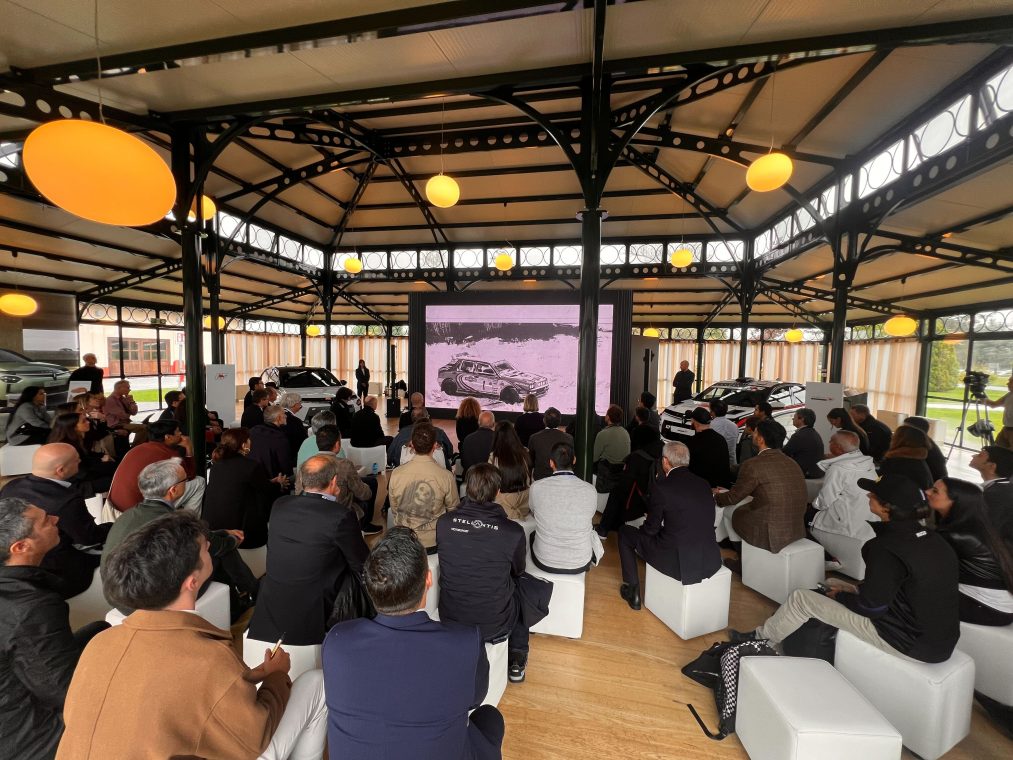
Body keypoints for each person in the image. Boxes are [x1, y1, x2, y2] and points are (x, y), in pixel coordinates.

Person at [58, 511, 328, 759]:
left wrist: (256, 674)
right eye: (205, 548)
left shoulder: (100, 643)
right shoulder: (207, 658)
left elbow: (169, 695)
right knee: (316, 683)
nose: (209, 545)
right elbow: (254, 738)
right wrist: (276, 676)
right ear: (192, 581)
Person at [730, 473, 960, 665]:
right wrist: (848, 591)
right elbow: (901, 588)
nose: (868, 495)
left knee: (801, 599)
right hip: (939, 640)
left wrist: (842, 597)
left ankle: (759, 641)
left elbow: (871, 608)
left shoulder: (887, 547)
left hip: (905, 641)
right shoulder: (932, 539)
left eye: (873, 495)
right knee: (831, 583)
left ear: (886, 508)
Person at [323, 527, 505, 759]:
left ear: (371, 587)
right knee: (490, 717)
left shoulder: (337, 642)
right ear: (428, 579)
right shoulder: (465, 643)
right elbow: (475, 699)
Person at [101, 459, 258, 618]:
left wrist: (221, 533)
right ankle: (249, 595)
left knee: (215, 545)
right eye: (186, 480)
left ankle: (240, 600)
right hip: (150, 603)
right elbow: (217, 545)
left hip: (118, 598)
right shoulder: (175, 521)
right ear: (173, 490)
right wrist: (232, 540)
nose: (188, 483)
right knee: (219, 552)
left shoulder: (127, 516)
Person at [249, 455, 370, 646]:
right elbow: (362, 563)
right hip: (317, 609)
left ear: (302, 480)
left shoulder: (279, 505)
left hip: (273, 601)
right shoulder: (340, 515)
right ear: (334, 482)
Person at [437, 464, 533, 682]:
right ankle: (517, 658)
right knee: (520, 589)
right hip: (494, 625)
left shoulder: (444, 523)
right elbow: (518, 570)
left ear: (467, 488)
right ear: (498, 492)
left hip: (451, 618)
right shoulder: (513, 531)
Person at [617, 442, 721, 610]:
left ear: (665, 461)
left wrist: (643, 531)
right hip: (709, 557)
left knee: (625, 533)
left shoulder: (662, 487)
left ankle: (632, 591)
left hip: (676, 560)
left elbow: (651, 529)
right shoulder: (703, 484)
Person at [0, 444, 111, 598]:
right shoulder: (66, 500)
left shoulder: (11, 486)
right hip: (59, 569)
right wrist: (113, 525)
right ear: (61, 470)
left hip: (14, 562)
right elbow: (89, 537)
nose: (80, 461)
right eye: (76, 460)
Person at [715, 418, 808, 556]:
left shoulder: (753, 464)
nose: (752, 434)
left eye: (755, 432)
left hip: (768, 529)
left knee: (728, 509)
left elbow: (733, 498)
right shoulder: (792, 462)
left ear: (760, 439)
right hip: (795, 526)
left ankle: (740, 555)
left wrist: (716, 496)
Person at [927, 478, 1013, 626]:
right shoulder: (977, 525)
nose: (927, 492)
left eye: (935, 491)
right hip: (1001, 605)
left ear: (955, 501)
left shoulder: (956, 534)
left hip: (988, 609)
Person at [529, 442, 602, 573]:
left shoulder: (536, 487)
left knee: (532, 534)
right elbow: (589, 517)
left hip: (545, 560)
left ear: (551, 463)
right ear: (574, 460)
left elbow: (533, 512)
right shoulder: (590, 490)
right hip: (580, 561)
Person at [388, 423, 460, 551]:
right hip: (433, 542)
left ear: (412, 445)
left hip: (404, 540)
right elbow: (453, 511)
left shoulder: (396, 473)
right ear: (435, 446)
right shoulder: (446, 476)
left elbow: (395, 509)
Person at [107, 420, 205, 514]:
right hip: (137, 511)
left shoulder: (137, 448)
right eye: (178, 431)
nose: (181, 434)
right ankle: (190, 521)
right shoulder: (168, 454)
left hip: (113, 506)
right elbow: (190, 475)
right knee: (199, 482)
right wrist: (189, 447)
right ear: (168, 437)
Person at [204, 428, 278, 548]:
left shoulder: (216, 466)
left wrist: (267, 482)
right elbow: (266, 490)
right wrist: (279, 484)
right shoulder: (251, 466)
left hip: (213, 527)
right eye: (249, 440)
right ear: (244, 445)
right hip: (240, 530)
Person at [808, 430, 879, 545]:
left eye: (831, 441)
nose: (829, 443)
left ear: (838, 447)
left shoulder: (838, 468)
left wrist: (813, 504)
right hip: (869, 520)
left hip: (848, 524)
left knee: (805, 516)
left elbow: (824, 502)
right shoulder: (867, 463)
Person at [310, 425, 383, 535]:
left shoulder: (306, 466)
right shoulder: (344, 465)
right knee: (368, 486)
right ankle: (364, 525)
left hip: (314, 514)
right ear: (337, 445)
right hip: (341, 514)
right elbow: (364, 494)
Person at [597, 420, 663, 538]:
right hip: (656, 499)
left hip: (638, 504)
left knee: (616, 492)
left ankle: (603, 529)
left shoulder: (637, 457)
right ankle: (614, 525)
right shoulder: (663, 453)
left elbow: (625, 485)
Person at [47, 412, 117, 494]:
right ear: (73, 427)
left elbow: (86, 456)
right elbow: (82, 473)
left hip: (83, 473)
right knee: (116, 476)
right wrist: (102, 463)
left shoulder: (75, 438)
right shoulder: (66, 447)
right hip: (75, 485)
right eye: (84, 421)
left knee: (116, 465)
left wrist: (102, 457)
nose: (88, 422)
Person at [489, 420, 532, 520]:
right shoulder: (525, 452)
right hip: (524, 504)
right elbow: (529, 480)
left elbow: (492, 484)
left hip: (503, 505)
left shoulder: (493, 457)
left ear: (496, 436)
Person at [249, 404, 296, 489]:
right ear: (278, 418)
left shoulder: (253, 430)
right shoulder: (279, 438)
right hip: (274, 481)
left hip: (252, 475)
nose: (286, 416)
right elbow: (285, 467)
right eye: (284, 413)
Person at [387, 408, 454, 468]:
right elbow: (450, 453)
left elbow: (390, 456)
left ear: (412, 419)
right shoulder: (439, 432)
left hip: (404, 472)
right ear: (427, 417)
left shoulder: (402, 433)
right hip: (437, 472)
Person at [971, 445, 1013, 535]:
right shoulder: (1003, 487)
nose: (973, 456)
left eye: (980, 455)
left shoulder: (993, 495)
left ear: (991, 467)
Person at [686, 407, 731, 488]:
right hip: (721, 487)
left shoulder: (692, 442)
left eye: (692, 421)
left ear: (695, 423)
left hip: (701, 487)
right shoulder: (721, 439)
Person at [878, 424, 933, 491]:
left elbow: (879, 482)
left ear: (900, 440)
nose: (892, 437)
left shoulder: (895, 462)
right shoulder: (918, 460)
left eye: (895, 435)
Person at [528, 407, 574, 481]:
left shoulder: (534, 438)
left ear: (544, 420)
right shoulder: (569, 438)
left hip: (540, 478)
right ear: (560, 421)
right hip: (562, 479)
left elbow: (530, 461)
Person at [593, 404, 631, 493]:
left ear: (608, 417)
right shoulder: (625, 433)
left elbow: (594, 458)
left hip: (606, 478)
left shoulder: (603, 434)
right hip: (620, 477)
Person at [102, 380, 148, 449]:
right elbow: (123, 416)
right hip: (117, 424)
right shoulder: (110, 400)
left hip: (125, 422)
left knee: (149, 425)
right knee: (144, 428)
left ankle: (136, 447)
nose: (129, 389)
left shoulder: (123, 398)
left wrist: (132, 401)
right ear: (119, 388)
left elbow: (134, 412)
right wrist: (128, 412)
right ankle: (135, 448)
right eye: (127, 387)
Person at [901, 416, 948, 480]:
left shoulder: (923, 447)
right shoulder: (921, 441)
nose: (900, 431)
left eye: (905, 429)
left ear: (916, 432)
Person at [782, 408, 825, 479]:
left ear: (801, 419)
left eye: (794, 417)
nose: (793, 419)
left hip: (807, 473)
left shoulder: (799, 435)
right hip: (816, 471)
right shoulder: (814, 433)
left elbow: (785, 452)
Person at [984, 375, 1013, 449]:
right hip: (1006, 429)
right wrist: (980, 395)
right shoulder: (1009, 395)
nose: (1007, 384)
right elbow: (993, 405)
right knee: (996, 450)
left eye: (1010, 382)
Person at [706, 398, 737, 466]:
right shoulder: (734, 425)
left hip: (717, 464)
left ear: (712, 412)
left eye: (710, 409)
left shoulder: (711, 426)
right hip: (732, 463)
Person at [278, 392, 308, 460]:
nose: (300, 406)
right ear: (295, 404)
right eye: (300, 404)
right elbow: (303, 440)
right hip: (291, 455)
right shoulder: (295, 421)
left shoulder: (276, 415)